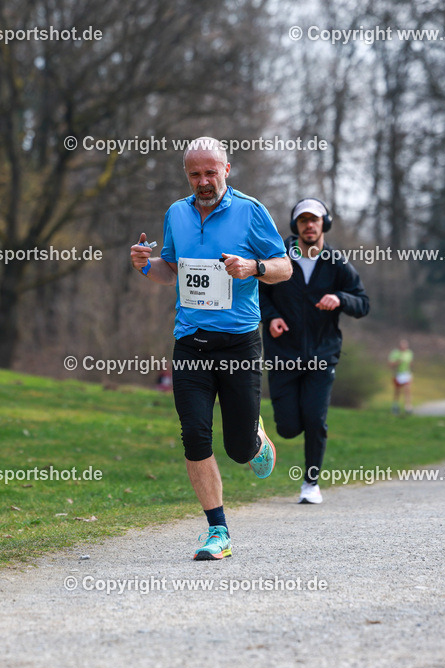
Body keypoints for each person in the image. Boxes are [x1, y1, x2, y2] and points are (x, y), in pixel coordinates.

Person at [130, 137, 291, 560]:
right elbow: (170, 271)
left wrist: (254, 267)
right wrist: (146, 264)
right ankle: (218, 531)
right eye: (194, 174)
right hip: (191, 342)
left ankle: (255, 439)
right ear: (187, 175)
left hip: (239, 343)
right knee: (195, 434)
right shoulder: (177, 214)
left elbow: (284, 267)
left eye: (210, 172)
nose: (203, 181)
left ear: (227, 169)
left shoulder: (251, 211)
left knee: (237, 449)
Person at [259, 198, 369, 505]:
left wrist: (340, 299)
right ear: (296, 226)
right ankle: (264, 431)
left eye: (315, 220)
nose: (309, 225)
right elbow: (256, 293)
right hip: (283, 354)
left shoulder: (336, 263)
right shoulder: (278, 257)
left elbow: (363, 303)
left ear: (324, 224)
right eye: (304, 220)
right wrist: (271, 317)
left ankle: (310, 483)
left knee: (315, 419)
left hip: (323, 355)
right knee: (289, 427)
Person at [388, 339, 413, 415]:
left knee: (407, 389)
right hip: (398, 374)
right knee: (397, 391)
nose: (404, 348)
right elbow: (391, 364)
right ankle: (395, 405)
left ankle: (408, 406)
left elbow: (411, 363)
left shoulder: (409, 353)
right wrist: (398, 362)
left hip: (406, 373)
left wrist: (411, 373)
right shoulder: (395, 353)